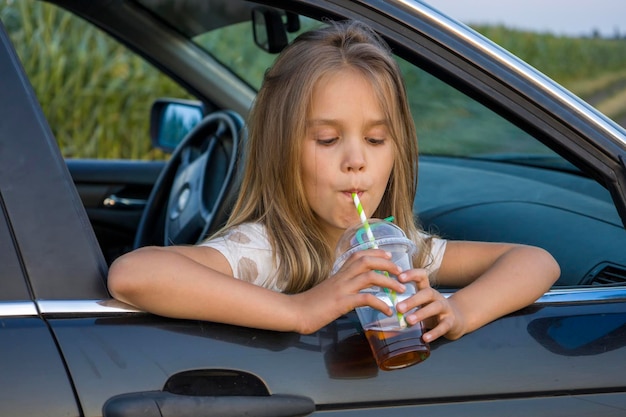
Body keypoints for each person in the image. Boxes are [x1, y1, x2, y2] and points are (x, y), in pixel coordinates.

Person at [107, 20, 560, 342]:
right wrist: (302, 310)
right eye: (327, 139)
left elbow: (536, 262)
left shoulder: (398, 253)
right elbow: (134, 274)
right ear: (281, 151)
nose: (356, 161)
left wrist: (460, 312)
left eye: (376, 139)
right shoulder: (266, 252)